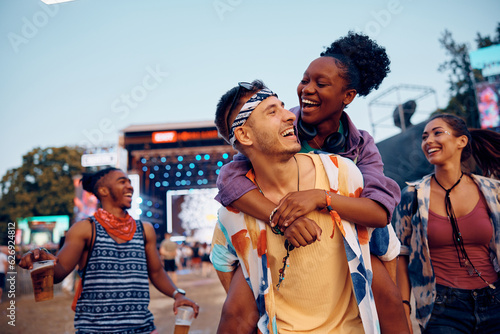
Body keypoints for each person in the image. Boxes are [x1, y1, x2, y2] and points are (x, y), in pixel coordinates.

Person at [215, 32, 406, 333]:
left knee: (382, 255)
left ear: (348, 96)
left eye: (321, 83)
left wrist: (320, 197)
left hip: (352, 220)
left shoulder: (360, 149)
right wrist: (281, 219)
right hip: (279, 221)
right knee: (238, 305)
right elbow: (229, 179)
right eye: (305, 79)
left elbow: (379, 212)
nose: (307, 90)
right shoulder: (280, 127)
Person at [19, 167, 199, 334]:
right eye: (122, 182)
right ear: (103, 191)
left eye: (129, 182)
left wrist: (177, 294)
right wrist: (43, 261)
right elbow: (59, 272)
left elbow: (157, 271)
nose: (130, 186)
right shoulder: (85, 229)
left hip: (142, 328)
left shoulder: (145, 229)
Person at [394, 114, 500, 333]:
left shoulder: (492, 191)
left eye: (437, 133)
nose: (428, 141)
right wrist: (403, 308)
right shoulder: (412, 196)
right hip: (442, 308)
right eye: (424, 137)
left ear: (461, 141)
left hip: (495, 300)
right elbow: (401, 256)